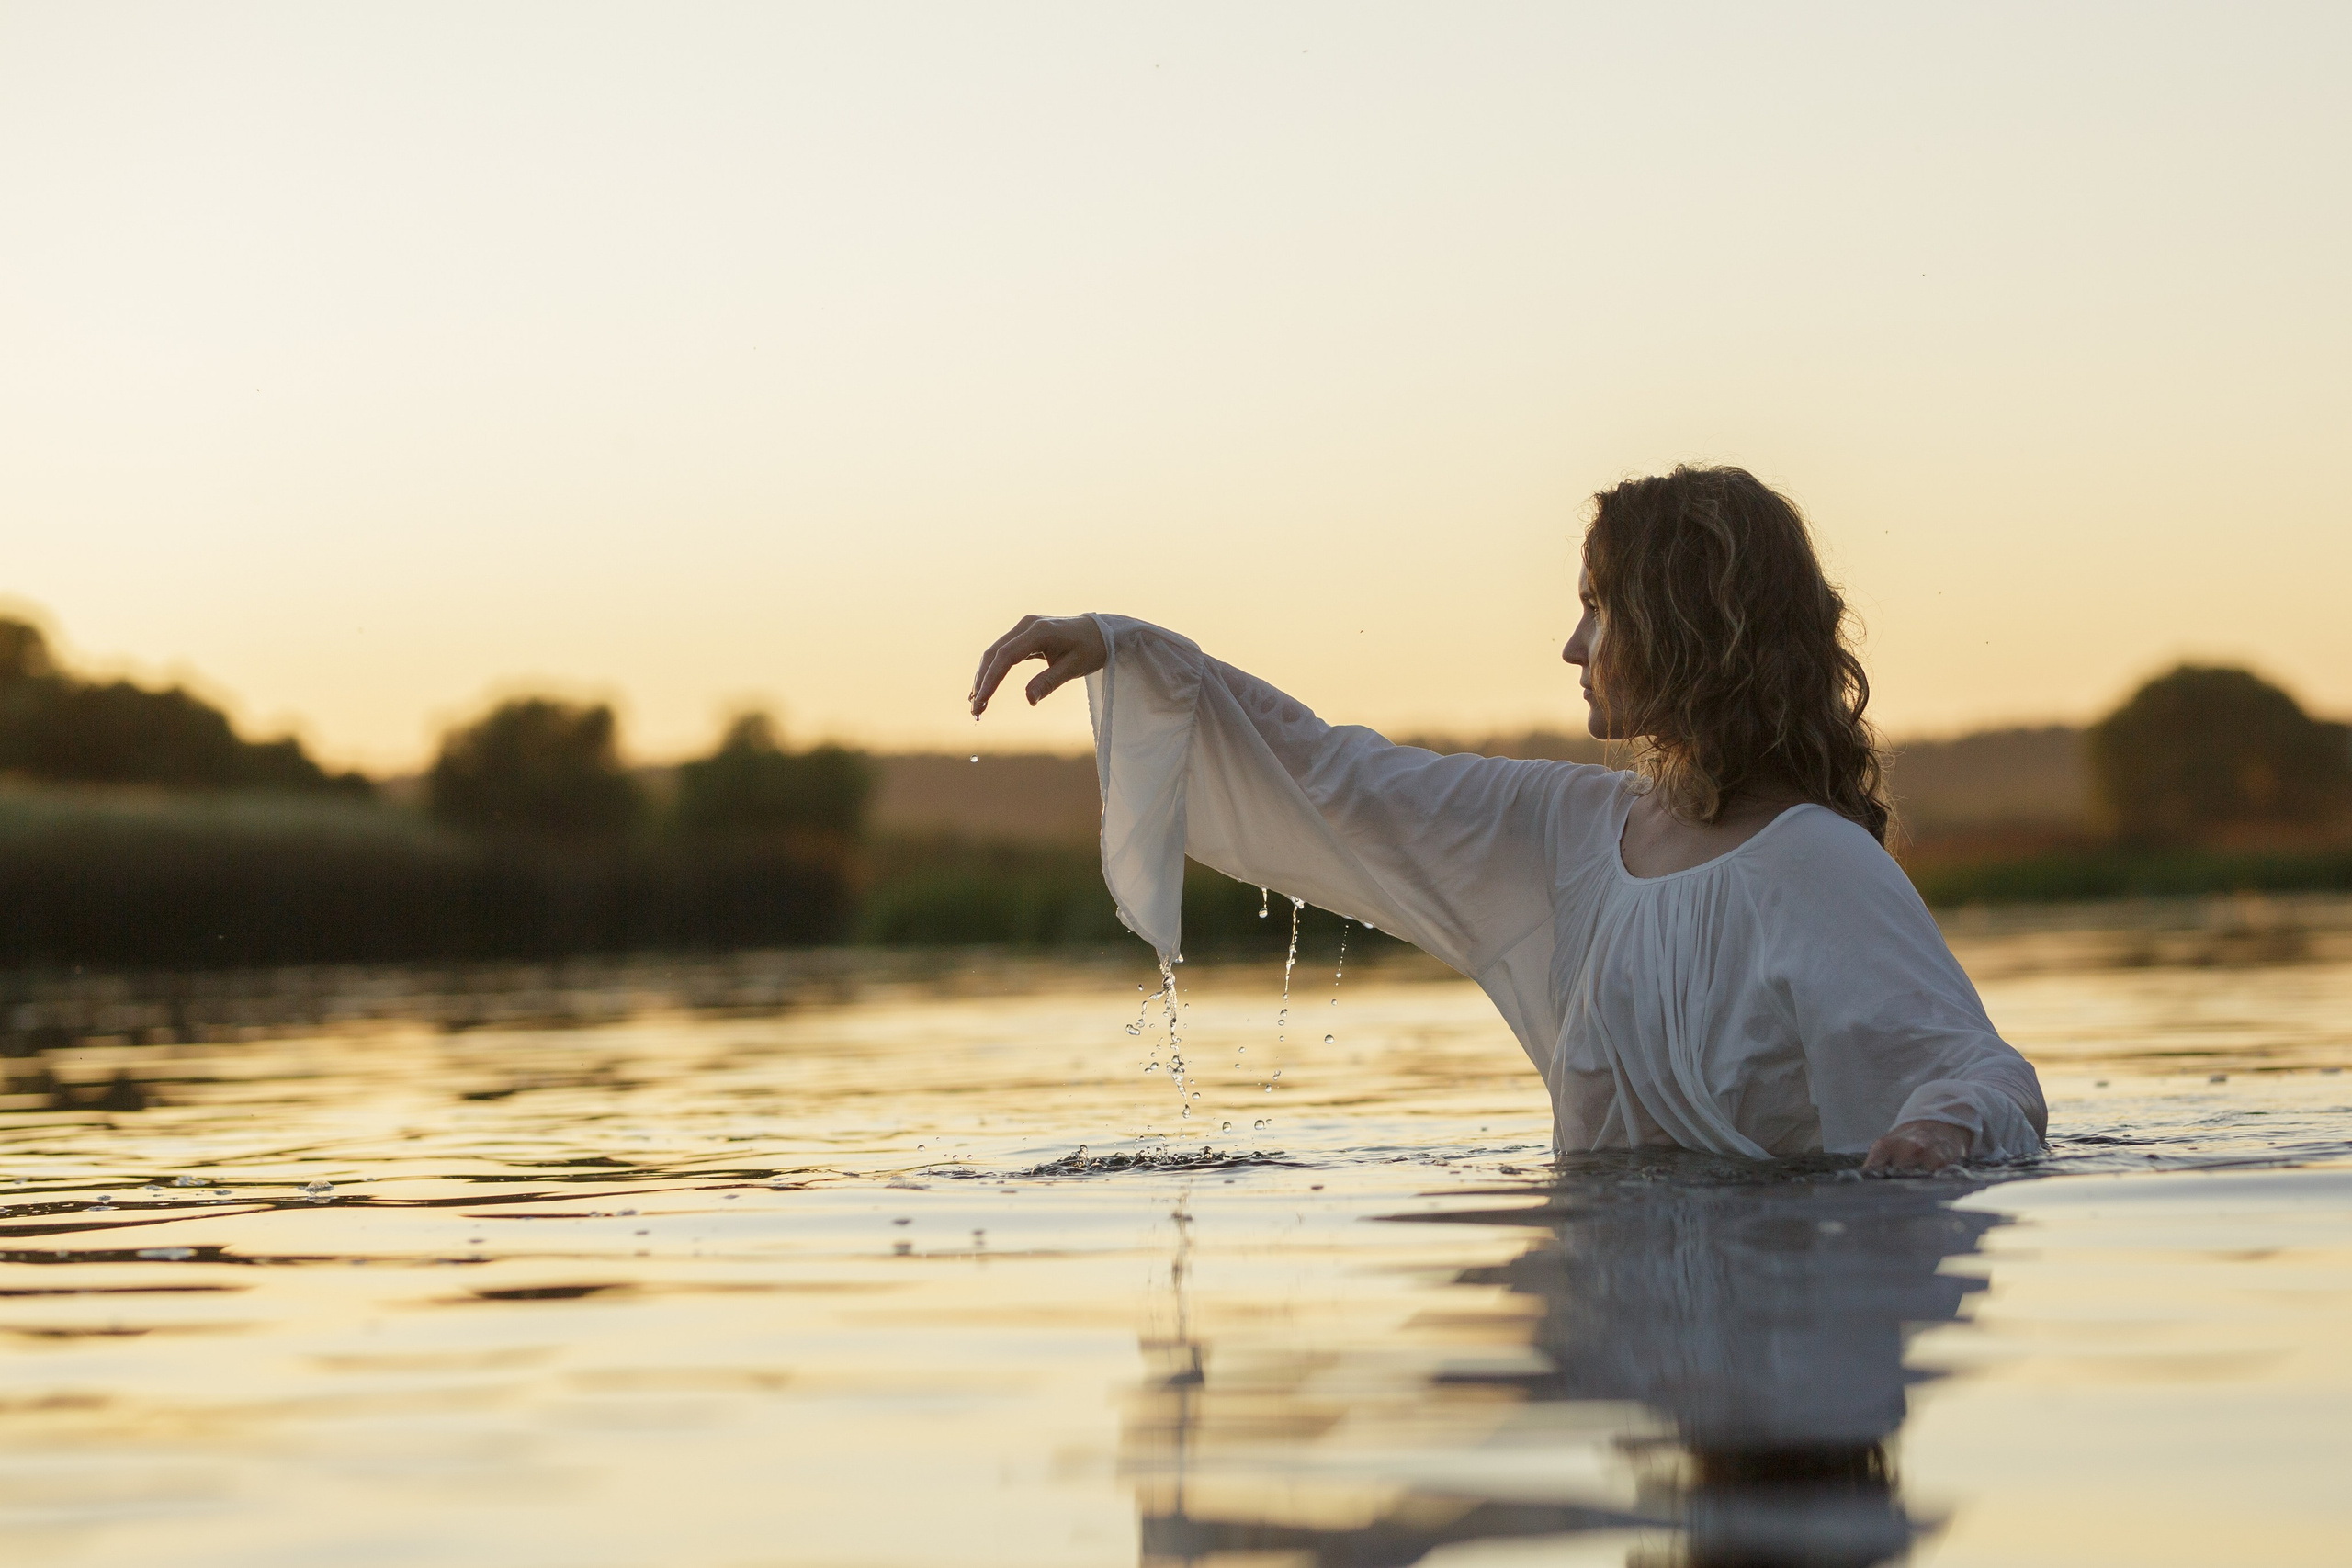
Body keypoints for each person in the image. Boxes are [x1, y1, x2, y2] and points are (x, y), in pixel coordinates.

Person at [968, 466, 2045, 1173]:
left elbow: (1983, 1073)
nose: (1574, 647)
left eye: (1597, 607)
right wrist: (1132, 650)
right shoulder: (1566, 833)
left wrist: (1933, 1128)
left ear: (1687, 625)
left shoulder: (1816, 863)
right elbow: (1344, 780)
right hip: (1612, 1310)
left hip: (1790, 1293)